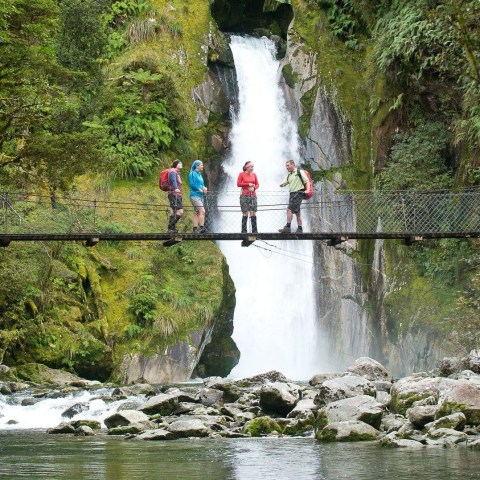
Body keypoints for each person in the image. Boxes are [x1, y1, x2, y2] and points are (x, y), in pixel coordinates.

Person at [278, 159, 310, 233]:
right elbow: (284, 182)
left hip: (299, 193)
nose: (287, 167)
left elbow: (306, 181)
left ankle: (288, 227)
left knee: (289, 209)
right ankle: (300, 228)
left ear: (293, 165)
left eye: (288, 165)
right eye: (286, 166)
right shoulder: (289, 175)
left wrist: (308, 189)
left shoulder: (299, 172)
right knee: (297, 212)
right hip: (292, 194)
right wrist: (281, 184)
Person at [237, 161, 259, 233]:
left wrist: (254, 188)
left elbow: (257, 184)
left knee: (253, 212)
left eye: (253, 166)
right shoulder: (241, 174)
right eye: (251, 166)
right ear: (247, 167)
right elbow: (238, 184)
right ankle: (244, 231)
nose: (252, 168)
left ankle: (254, 230)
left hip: (253, 195)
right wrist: (248, 184)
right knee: (245, 212)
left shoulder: (254, 174)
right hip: (244, 195)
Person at [188, 160, 208, 233]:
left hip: (201, 196)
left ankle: (195, 229)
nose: (203, 166)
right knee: (202, 211)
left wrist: (204, 188)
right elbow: (192, 184)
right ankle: (201, 228)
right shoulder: (192, 174)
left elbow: (201, 184)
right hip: (194, 195)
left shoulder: (199, 174)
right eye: (201, 165)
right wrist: (199, 189)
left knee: (197, 212)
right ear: (197, 166)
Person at [167, 160, 183, 233]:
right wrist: (176, 189)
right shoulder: (173, 171)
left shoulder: (176, 173)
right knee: (180, 211)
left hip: (175, 194)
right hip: (174, 194)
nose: (181, 164)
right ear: (175, 164)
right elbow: (173, 181)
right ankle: (170, 227)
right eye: (179, 163)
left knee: (173, 211)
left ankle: (171, 229)